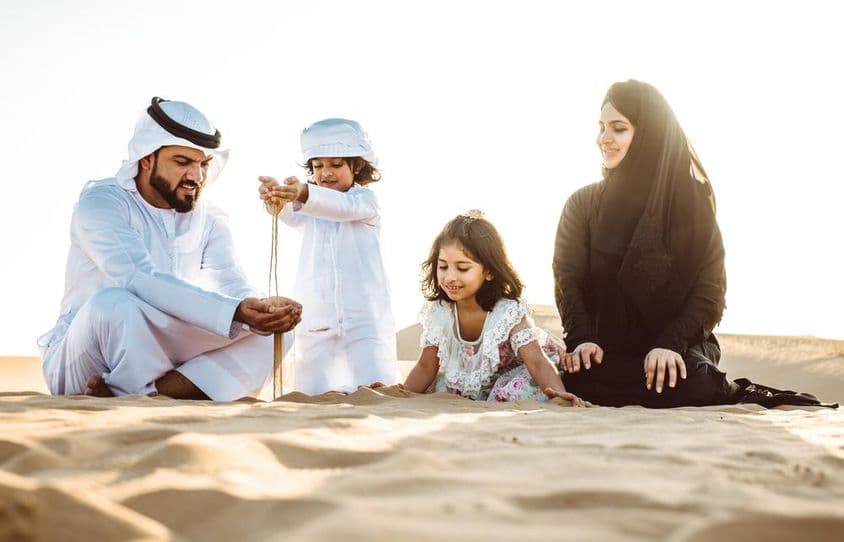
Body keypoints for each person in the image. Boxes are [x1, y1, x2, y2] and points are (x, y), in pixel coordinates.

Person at [553, 80, 834, 408]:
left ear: (650, 134)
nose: (604, 139)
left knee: (690, 380)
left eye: (619, 128)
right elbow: (567, 279)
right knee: (579, 380)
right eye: (602, 127)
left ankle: (723, 385)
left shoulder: (692, 208)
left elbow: (709, 292)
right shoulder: (582, 205)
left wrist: (669, 345)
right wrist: (583, 339)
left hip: (679, 347)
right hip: (607, 351)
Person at [38, 97, 302, 400]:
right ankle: (145, 391)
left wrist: (260, 309)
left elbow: (229, 282)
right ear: (147, 158)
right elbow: (137, 276)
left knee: (271, 333)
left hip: (162, 347)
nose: (196, 176)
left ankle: (152, 394)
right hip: (85, 355)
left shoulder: (210, 219)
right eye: (182, 162)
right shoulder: (102, 203)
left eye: (202, 164)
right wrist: (234, 311)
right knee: (113, 303)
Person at [257, 118, 397, 394]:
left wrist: (305, 192)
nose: (326, 173)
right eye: (318, 166)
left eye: (335, 164)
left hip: (363, 319)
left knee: (375, 389)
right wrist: (276, 199)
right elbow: (291, 216)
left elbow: (340, 208)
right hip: (318, 319)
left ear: (356, 165)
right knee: (312, 392)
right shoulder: (310, 207)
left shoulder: (364, 201)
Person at [396, 211, 583, 405]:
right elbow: (426, 366)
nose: (450, 277)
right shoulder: (439, 312)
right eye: (443, 267)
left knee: (516, 390)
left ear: (489, 271)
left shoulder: (508, 312)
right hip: (473, 386)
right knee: (441, 389)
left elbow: (537, 362)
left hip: (518, 374)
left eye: (462, 268)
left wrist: (558, 396)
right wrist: (399, 393)